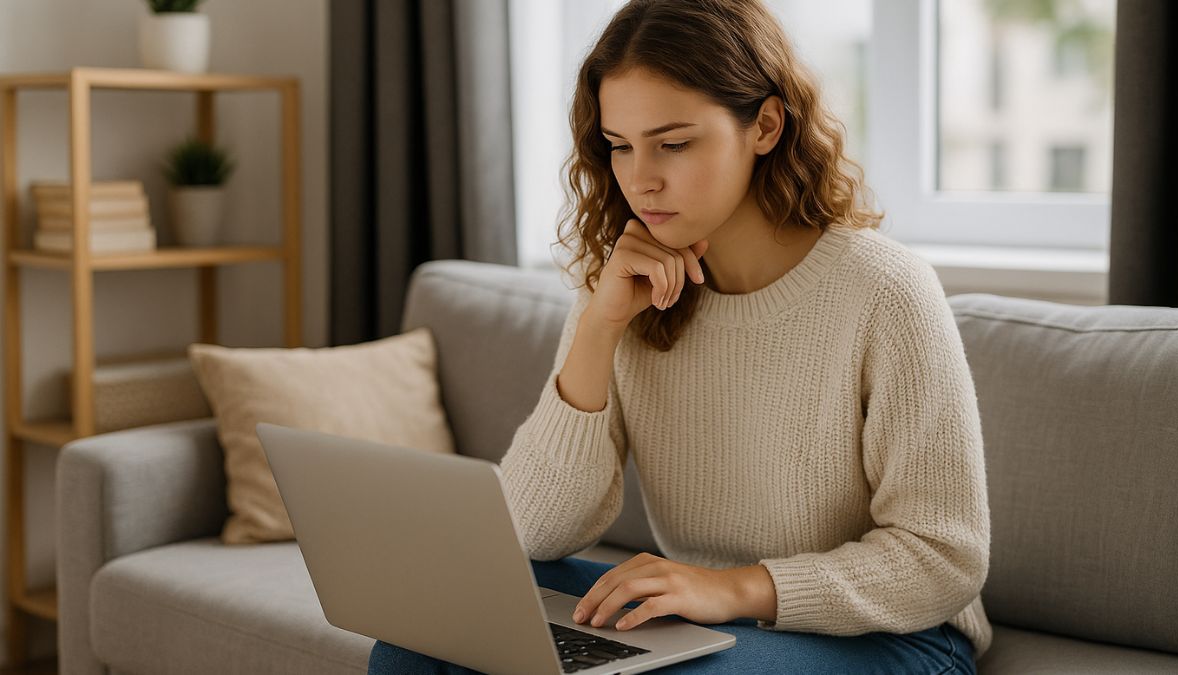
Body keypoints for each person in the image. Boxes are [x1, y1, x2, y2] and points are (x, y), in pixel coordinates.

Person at [369, 0, 992, 672]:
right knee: (428, 627)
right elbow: (534, 530)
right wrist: (600, 326)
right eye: (620, 146)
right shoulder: (623, 285)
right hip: (707, 613)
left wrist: (732, 589)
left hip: (893, 636)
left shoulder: (885, 290)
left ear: (765, 126)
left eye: (673, 144)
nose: (641, 179)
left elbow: (942, 557)